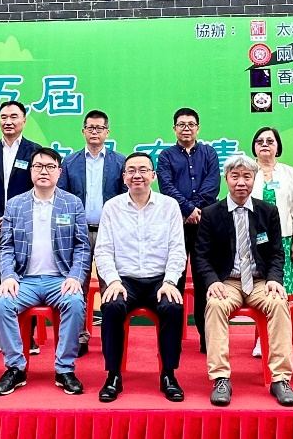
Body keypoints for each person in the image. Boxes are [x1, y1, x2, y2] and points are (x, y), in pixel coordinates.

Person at [194, 155, 293, 407]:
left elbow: (276, 253)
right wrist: (212, 282)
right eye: (235, 176)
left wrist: (275, 279)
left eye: (247, 177)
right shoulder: (211, 214)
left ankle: (281, 379)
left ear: (254, 179)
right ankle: (221, 378)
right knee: (215, 305)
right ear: (226, 179)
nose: (241, 182)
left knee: (279, 302)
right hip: (227, 281)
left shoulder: (268, 212)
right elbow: (201, 256)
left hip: (260, 281)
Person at [0, 147, 90, 396]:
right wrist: (8, 277)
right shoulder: (15, 205)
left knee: (75, 302)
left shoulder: (72, 203)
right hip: (24, 281)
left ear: (59, 172)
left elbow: (82, 246)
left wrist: (75, 277)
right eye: (38, 166)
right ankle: (16, 368)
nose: (43, 171)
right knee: (1, 304)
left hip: (60, 279)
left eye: (49, 167)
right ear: (30, 170)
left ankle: (64, 369)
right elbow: (6, 247)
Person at [95, 152, 186, 403]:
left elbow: (177, 249)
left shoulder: (169, 206)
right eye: (131, 170)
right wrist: (113, 280)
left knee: (172, 307)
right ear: (124, 176)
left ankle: (169, 374)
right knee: (112, 306)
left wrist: (170, 281)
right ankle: (113, 375)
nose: (137, 175)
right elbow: (103, 250)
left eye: (143, 170)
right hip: (125, 280)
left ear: (153, 175)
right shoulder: (112, 207)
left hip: (160, 280)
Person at [0, 100, 43, 354]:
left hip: (26, 223)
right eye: (3, 117)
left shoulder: (34, 151)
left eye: (14, 116)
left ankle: (28, 336)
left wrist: (14, 216)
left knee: (27, 276)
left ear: (24, 120)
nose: (8, 121)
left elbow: (37, 186)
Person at [57, 109, 126, 354]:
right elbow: (62, 199)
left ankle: (110, 335)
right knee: (78, 284)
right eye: (90, 128)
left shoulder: (120, 162)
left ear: (107, 132)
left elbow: (125, 199)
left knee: (110, 284)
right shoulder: (70, 162)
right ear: (83, 131)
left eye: (99, 128)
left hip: (110, 232)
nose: (94, 132)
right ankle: (80, 337)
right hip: (79, 231)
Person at [157, 107, 220, 353]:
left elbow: (212, 185)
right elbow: (166, 186)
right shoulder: (166, 156)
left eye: (191, 124)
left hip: (205, 225)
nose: (186, 129)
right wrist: (187, 209)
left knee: (205, 280)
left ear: (198, 128)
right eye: (181, 124)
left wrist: (196, 210)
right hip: (176, 225)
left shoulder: (209, 153)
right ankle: (172, 339)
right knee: (175, 279)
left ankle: (207, 338)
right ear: (174, 128)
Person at [248, 126, 293, 358]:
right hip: (254, 241)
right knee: (261, 291)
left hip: (283, 240)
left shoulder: (289, 173)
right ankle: (262, 339)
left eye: (270, 141)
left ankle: (282, 338)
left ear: (278, 147)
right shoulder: (247, 171)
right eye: (260, 141)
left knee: (282, 292)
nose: (265, 144)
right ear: (254, 147)